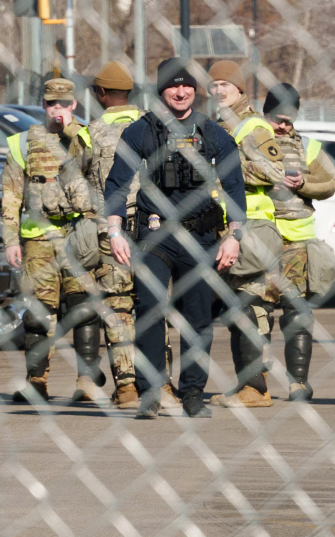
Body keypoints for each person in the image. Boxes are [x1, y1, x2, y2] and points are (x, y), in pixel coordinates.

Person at [104, 58, 245, 419]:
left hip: (200, 237)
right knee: (150, 311)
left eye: (186, 86)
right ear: (161, 90)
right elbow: (117, 184)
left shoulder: (214, 133)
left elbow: (233, 188)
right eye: (172, 86)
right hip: (154, 234)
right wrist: (115, 230)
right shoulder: (141, 131)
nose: (180, 92)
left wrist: (234, 237)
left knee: (198, 316)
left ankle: (193, 392)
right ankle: (151, 391)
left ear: (195, 91)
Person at [3, 77, 99, 404]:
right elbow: (11, 193)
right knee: (37, 313)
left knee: (83, 309)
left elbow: (98, 171)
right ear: (42, 104)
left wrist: (73, 132)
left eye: (64, 103)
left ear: (75, 104)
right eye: (51, 103)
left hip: (79, 235)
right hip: (38, 237)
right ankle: (37, 380)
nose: (57, 109)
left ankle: (86, 380)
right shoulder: (22, 142)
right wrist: (10, 240)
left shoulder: (87, 136)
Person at [205, 59, 285, 409]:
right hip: (223, 225)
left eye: (226, 84)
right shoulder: (217, 124)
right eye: (214, 84)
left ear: (240, 89)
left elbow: (273, 170)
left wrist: (226, 170)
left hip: (250, 223)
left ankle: (255, 387)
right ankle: (250, 384)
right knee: (237, 306)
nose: (219, 90)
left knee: (247, 303)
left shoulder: (252, 126)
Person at [256, 83, 335, 402]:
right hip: (261, 238)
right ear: (266, 113)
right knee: (256, 309)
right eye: (278, 119)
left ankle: (298, 382)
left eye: (289, 120)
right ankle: (255, 381)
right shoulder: (252, 140)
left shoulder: (308, 147)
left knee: (297, 312)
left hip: (297, 241)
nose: (284, 126)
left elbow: (329, 182)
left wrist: (304, 183)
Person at [78, 61, 142, 409]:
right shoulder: (154, 125)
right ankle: (158, 382)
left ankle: (127, 386)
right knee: (152, 306)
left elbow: (78, 181)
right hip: (153, 228)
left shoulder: (92, 132)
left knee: (117, 307)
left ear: (101, 94)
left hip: (111, 231)